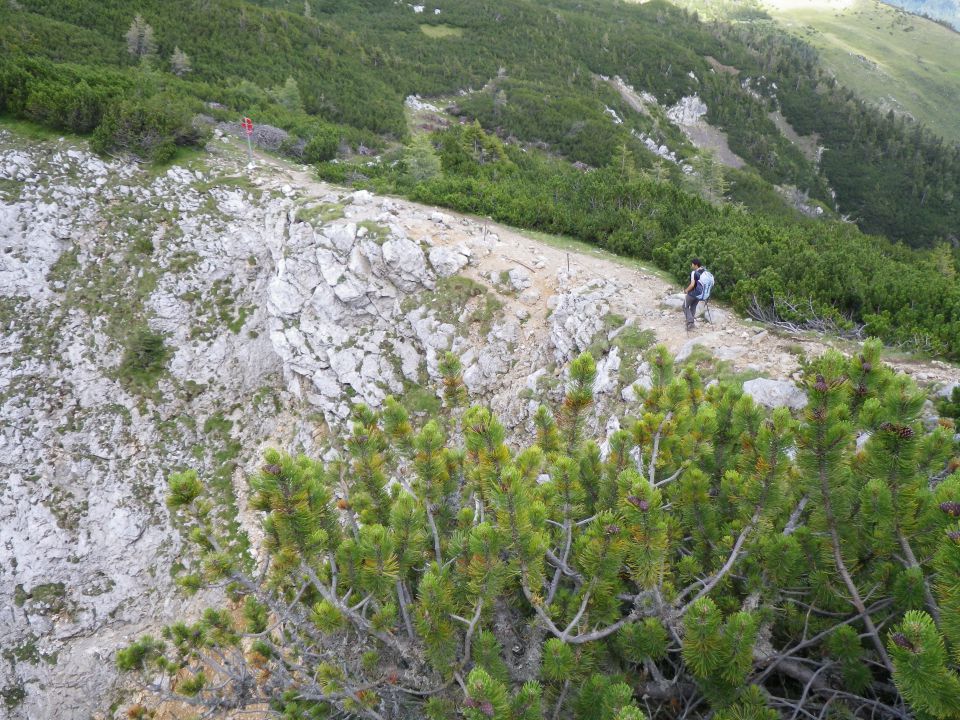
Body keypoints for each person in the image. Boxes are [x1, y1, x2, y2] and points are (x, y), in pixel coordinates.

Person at [683, 258, 705, 331]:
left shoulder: (694, 272)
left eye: (692, 263)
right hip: (700, 293)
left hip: (693, 293)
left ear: (695, 265)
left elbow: (692, 285)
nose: (691, 265)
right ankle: (691, 324)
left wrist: (686, 290)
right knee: (693, 307)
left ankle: (690, 321)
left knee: (685, 306)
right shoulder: (704, 271)